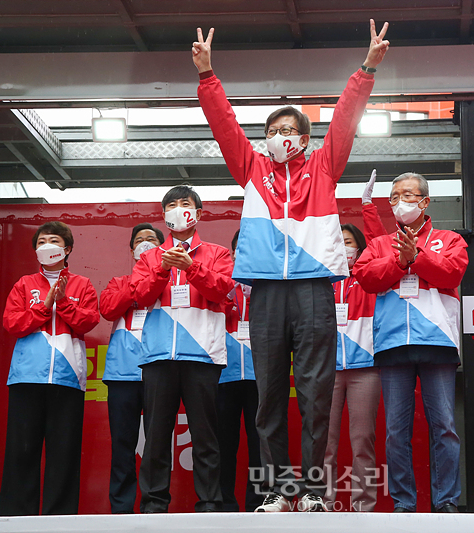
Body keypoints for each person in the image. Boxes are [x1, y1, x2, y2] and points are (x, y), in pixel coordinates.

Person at [192, 20, 390, 513]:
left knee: (316, 396)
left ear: (305, 137)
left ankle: (315, 495)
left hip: (315, 291)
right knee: (269, 400)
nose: (282, 137)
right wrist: (207, 76)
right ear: (265, 141)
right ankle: (282, 492)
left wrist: (365, 69)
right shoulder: (251, 169)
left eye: (290, 131)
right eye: (273, 132)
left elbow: (345, 119)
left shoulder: (324, 166)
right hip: (265, 292)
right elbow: (224, 126)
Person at [355, 172, 468, 513]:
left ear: (424, 201)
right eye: (394, 197)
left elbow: (453, 272)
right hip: (393, 344)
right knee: (395, 431)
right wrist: (399, 260)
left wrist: (416, 256)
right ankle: (404, 502)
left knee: (445, 427)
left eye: (407, 194)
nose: (400, 202)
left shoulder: (448, 238)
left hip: (437, 342)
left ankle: (446, 500)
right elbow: (365, 277)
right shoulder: (379, 244)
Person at [131, 185, 234, 513]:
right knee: (156, 436)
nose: (178, 209)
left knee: (205, 436)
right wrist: (163, 268)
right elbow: (141, 296)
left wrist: (191, 266)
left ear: (199, 213)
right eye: (171, 205)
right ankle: (154, 504)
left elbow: (222, 292)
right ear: (164, 216)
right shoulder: (149, 257)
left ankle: (209, 503)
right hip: (159, 355)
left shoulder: (218, 253)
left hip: (202, 355)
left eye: (185, 204)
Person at [0, 221, 100, 516]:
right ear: (36, 250)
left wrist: (64, 303)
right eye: (41, 241)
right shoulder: (24, 284)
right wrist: (44, 306)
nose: (47, 245)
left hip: (67, 379)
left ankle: (60, 517)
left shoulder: (82, 284)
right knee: (22, 451)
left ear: (67, 248)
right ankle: (18, 517)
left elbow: (89, 321)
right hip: (26, 377)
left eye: (54, 240)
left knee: (64, 453)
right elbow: (12, 324)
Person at [99, 223, 164, 513]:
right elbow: (109, 309)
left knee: (157, 445)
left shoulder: (169, 280)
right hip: (122, 373)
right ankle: (121, 508)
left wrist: (155, 277)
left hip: (158, 370)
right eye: (139, 240)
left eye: (151, 239)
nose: (145, 243)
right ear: (131, 249)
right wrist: (137, 281)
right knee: (123, 445)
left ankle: (155, 505)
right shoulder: (118, 281)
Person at [323, 223, 381, 512]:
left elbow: (380, 245)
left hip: (365, 368)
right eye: (338, 242)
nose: (343, 247)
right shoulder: (321, 281)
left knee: (363, 442)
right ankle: (321, 503)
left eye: (347, 241)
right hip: (326, 371)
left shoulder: (368, 279)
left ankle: (363, 506)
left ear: (359, 246)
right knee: (323, 443)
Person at [217, 230, 263, 512]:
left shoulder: (269, 286)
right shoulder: (221, 285)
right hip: (224, 374)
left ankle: (259, 503)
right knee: (223, 444)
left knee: (262, 445)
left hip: (263, 375)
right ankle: (223, 504)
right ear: (232, 253)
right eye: (238, 249)